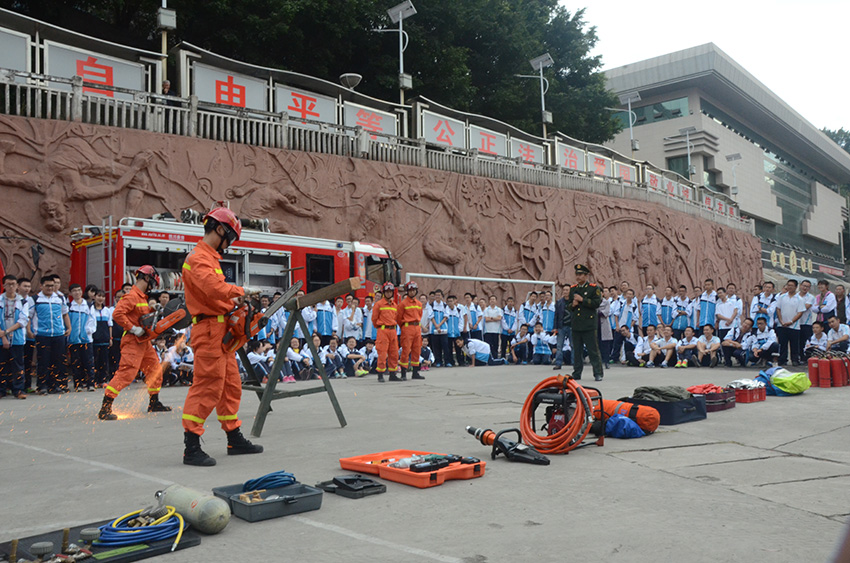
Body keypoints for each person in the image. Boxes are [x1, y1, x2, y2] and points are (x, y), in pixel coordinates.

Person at [180, 206, 263, 466]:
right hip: (208, 330)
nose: (230, 243)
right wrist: (241, 291)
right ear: (219, 229)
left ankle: (233, 438)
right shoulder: (198, 258)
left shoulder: (210, 258)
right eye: (231, 237)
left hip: (220, 329)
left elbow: (216, 294)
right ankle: (191, 446)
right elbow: (213, 288)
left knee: (230, 386)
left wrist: (236, 303)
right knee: (207, 386)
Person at [98, 266, 172, 420]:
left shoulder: (142, 298)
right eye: (152, 282)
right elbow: (117, 314)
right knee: (127, 373)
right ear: (147, 278)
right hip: (133, 340)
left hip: (143, 341)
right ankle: (105, 408)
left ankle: (154, 403)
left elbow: (141, 317)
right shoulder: (131, 296)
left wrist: (152, 309)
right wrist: (133, 328)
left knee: (155, 370)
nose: (152, 286)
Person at [32, 275, 70, 394]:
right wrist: (29, 330)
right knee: (43, 361)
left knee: (57, 360)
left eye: (52, 286)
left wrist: (69, 327)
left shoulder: (60, 298)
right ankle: (42, 386)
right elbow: (29, 316)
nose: (50, 288)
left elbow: (65, 314)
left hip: (58, 334)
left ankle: (55, 385)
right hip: (42, 334)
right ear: (41, 286)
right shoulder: (35, 299)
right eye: (47, 286)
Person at [568, 264, 604, 381]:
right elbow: (568, 306)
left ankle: (598, 373)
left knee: (593, 350)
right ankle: (577, 372)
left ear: (586, 275)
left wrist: (582, 300)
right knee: (577, 351)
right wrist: (572, 305)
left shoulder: (593, 288)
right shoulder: (573, 288)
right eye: (577, 274)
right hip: (576, 324)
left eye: (580, 274)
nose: (578, 277)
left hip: (589, 324)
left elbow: (596, 303)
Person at [0, 274, 28, 399]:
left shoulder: (23, 301)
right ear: (4, 285)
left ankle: (18, 390)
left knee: (18, 365)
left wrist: (6, 332)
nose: (11, 287)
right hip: (1, 338)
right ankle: (2, 389)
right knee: (2, 365)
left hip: (17, 338)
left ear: (17, 286)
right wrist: (3, 336)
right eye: (8, 284)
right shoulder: (0, 300)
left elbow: (23, 320)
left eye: (13, 284)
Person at [67, 284, 96, 391]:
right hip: (73, 339)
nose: (77, 293)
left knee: (88, 362)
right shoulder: (69, 306)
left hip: (86, 339)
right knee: (76, 362)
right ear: (71, 293)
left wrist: (88, 331)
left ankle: (90, 383)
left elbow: (92, 320)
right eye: (74, 291)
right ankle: (78, 384)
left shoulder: (88, 305)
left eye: (79, 290)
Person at [373, 281, 401, 382]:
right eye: (387, 292)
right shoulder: (379, 304)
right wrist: (380, 327)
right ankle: (380, 374)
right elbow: (374, 319)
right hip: (383, 330)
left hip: (393, 330)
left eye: (390, 292)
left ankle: (392, 374)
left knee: (394, 353)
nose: (389, 293)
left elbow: (396, 318)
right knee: (382, 353)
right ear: (384, 292)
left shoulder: (394, 305)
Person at [775, 279, 806, 366]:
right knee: (782, 343)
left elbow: (800, 313)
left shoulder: (799, 299)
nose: (789, 287)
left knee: (794, 344)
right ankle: (782, 360)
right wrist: (781, 321)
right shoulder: (782, 297)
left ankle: (795, 360)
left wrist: (791, 321)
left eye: (791, 285)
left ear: (796, 287)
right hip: (782, 325)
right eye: (788, 285)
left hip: (794, 326)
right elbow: (778, 309)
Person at [397, 281, 425, 380]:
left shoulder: (419, 303)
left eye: (414, 290)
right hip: (407, 327)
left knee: (417, 350)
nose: (412, 292)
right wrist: (404, 327)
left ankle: (415, 372)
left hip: (417, 328)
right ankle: (403, 373)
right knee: (406, 350)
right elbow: (399, 318)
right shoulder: (403, 303)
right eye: (410, 290)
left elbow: (420, 315)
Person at [90, 290, 112, 388]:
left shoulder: (107, 310)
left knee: (104, 361)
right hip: (94, 339)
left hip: (105, 339)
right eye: (99, 296)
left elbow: (110, 325)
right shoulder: (91, 309)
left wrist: (110, 337)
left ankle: (102, 380)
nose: (101, 298)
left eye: (103, 296)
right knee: (95, 361)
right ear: (94, 297)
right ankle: (94, 380)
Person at [18, 277, 36, 392]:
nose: (27, 289)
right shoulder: (15, 299)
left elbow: (30, 317)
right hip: (17, 336)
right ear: (18, 286)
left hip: (29, 337)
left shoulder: (30, 300)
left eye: (29, 286)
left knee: (27, 361)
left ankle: (27, 385)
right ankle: (11, 385)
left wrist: (30, 331)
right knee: (15, 361)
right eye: (25, 286)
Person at [552, 284, 571, 370]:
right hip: (561, 326)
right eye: (564, 290)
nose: (565, 292)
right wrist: (555, 327)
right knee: (559, 346)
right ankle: (558, 363)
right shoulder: (559, 302)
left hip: (571, 326)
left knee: (573, 345)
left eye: (567, 290)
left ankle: (575, 363)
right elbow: (556, 315)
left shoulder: (573, 302)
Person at [430, 290, 447, 366]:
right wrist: (436, 326)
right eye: (436, 295)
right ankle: (438, 361)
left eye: (439, 295)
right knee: (436, 346)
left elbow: (446, 316)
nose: (437, 296)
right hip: (434, 329)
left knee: (445, 345)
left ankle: (447, 361)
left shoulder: (445, 305)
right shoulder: (431, 305)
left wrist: (439, 325)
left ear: (442, 296)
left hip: (443, 328)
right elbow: (431, 316)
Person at [482, 295, 502, 360]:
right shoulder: (486, 309)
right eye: (491, 299)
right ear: (489, 301)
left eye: (493, 299)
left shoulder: (499, 309)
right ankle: (489, 358)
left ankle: (495, 358)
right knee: (488, 345)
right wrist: (495, 318)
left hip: (496, 330)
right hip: (488, 330)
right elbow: (486, 319)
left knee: (495, 345)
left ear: (496, 301)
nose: (492, 300)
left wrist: (491, 318)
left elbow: (499, 318)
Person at [500, 296, 518, 361]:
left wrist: (512, 329)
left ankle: (511, 358)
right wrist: (507, 329)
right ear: (506, 302)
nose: (510, 303)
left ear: (513, 303)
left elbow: (516, 321)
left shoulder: (515, 311)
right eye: (509, 301)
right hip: (504, 332)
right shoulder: (503, 310)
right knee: (503, 345)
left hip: (512, 332)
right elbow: (502, 320)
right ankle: (503, 358)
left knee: (512, 345)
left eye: (511, 301)